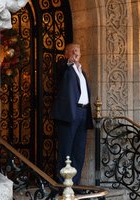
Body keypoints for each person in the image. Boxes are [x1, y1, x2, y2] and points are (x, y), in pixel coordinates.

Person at [52, 43, 93, 185]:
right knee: (66, 150)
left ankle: (75, 184)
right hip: (69, 113)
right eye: (73, 51)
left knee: (78, 151)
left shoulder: (82, 71)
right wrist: (69, 62)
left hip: (83, 113)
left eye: (78, 50)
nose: (76, 53)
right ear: (66, 54)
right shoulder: (64, 67)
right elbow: (60, 67)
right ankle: (63, 184)